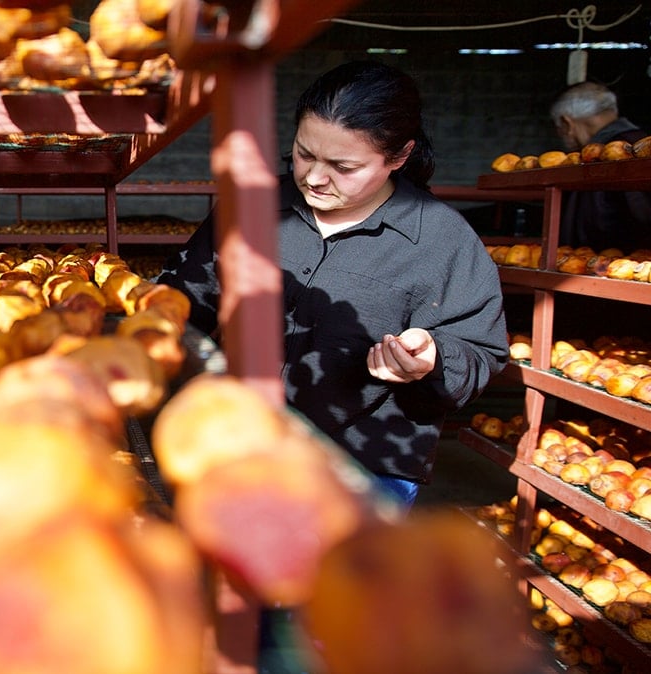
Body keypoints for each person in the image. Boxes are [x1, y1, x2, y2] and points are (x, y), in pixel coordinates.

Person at [156, 60, 509, 510]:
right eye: (304, 154)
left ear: (398, 157)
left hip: (362, 465)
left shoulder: (441, 240)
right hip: (234, 441)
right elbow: (190, 296)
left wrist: (433, 359)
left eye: (343, 166)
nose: (315, 178)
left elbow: (483, 351)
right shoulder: (253, 205)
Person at [550, 80, 651, 252]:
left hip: (614, 264)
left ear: (567, 124)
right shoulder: (641, 145)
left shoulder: (617, 155)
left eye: (558, 128)